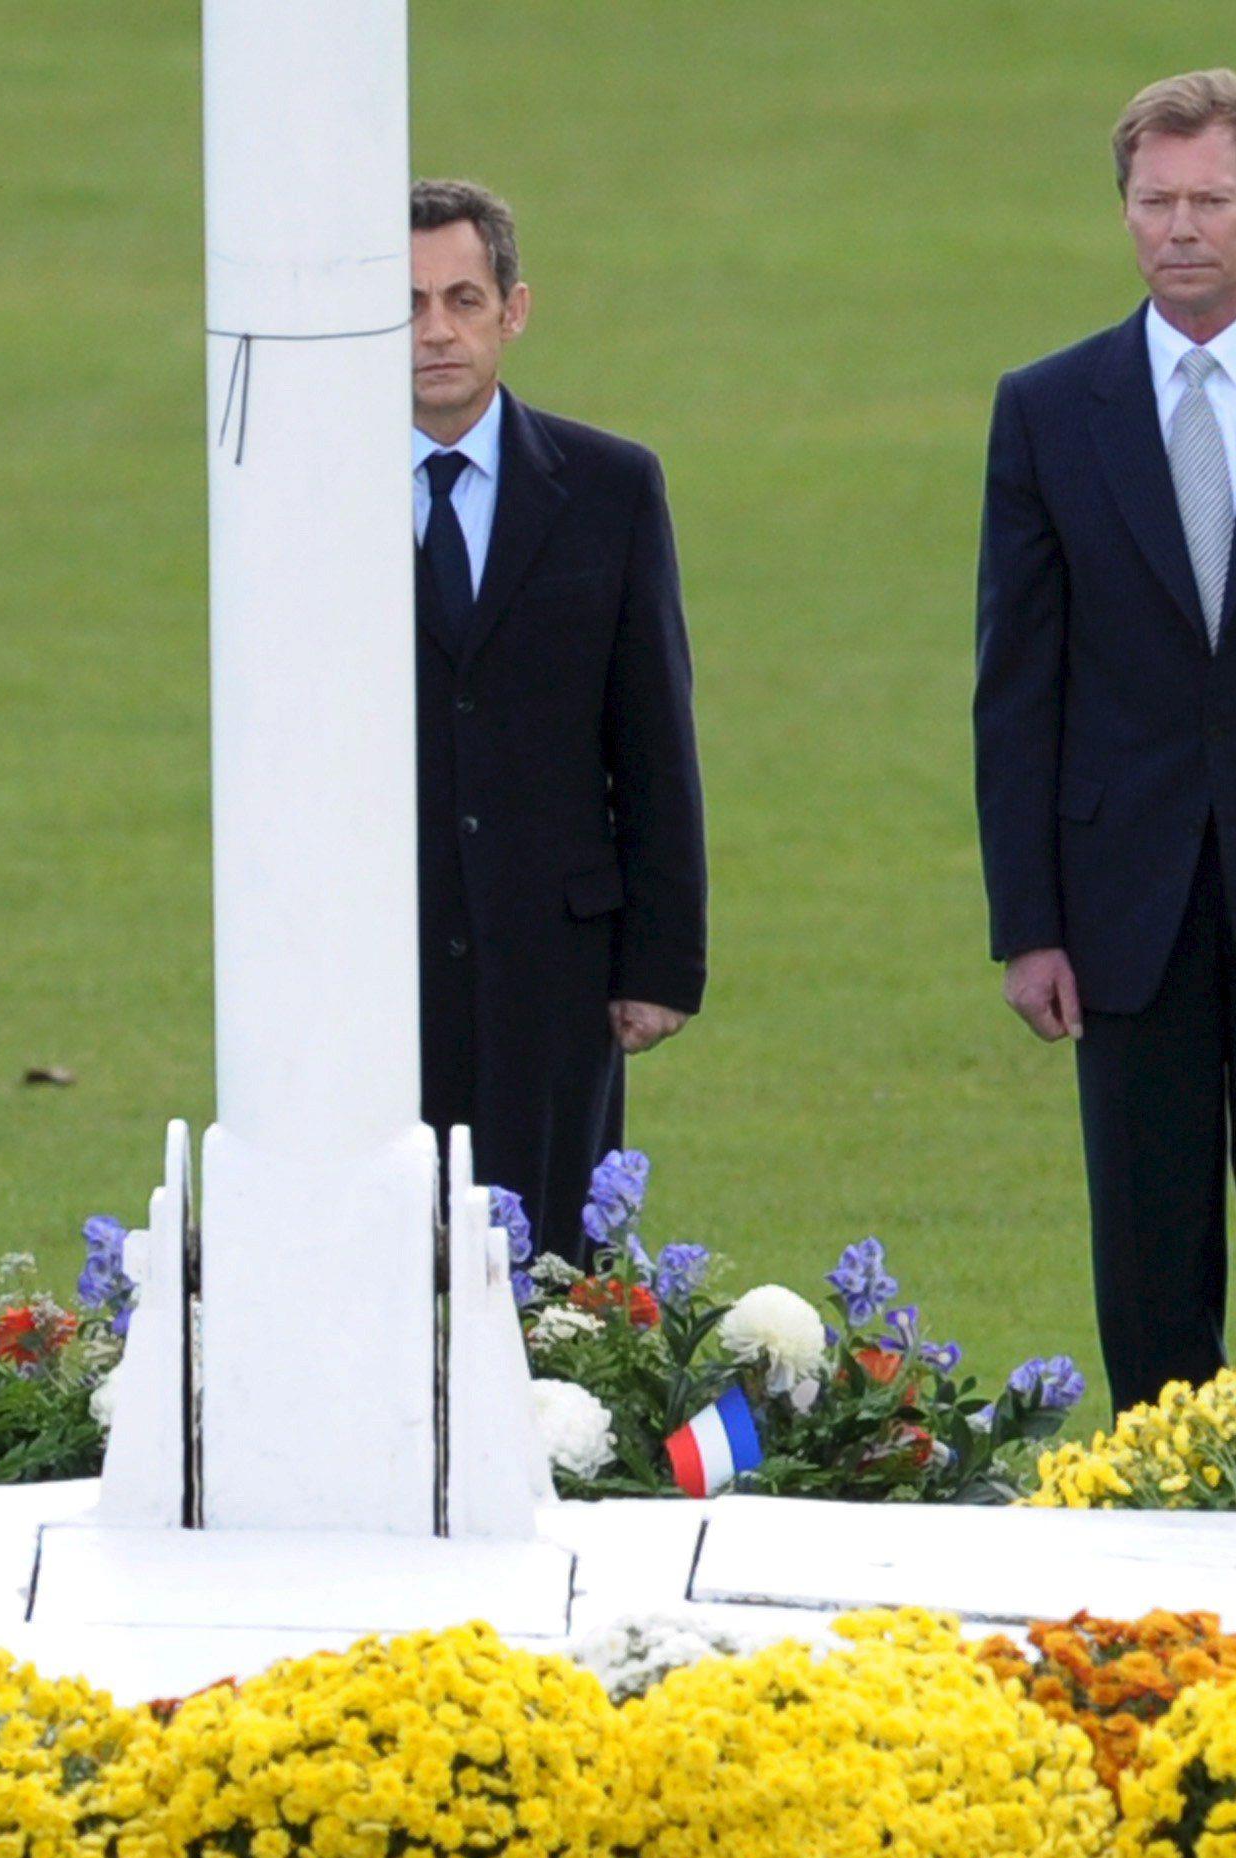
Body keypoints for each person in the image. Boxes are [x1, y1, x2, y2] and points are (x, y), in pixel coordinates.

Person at [974, 71, 1236, 1413]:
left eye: (1210, 199)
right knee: (1149, 1259)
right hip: (1123, 903)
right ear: (1124, 214)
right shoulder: (1048, 409)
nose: (1180, 229)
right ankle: (1162, 1523)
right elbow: (1015, 682)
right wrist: (1026, 922)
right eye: (1154, 202)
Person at [409, 178, 706, 1263]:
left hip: (558, 967)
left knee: (548, 1288)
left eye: (463, 299)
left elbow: (654, 735)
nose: (435, 331)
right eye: (407, 304)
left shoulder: (611, 488)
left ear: (513, 309)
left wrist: (661, 960)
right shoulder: (313, 491)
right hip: (378, 966)